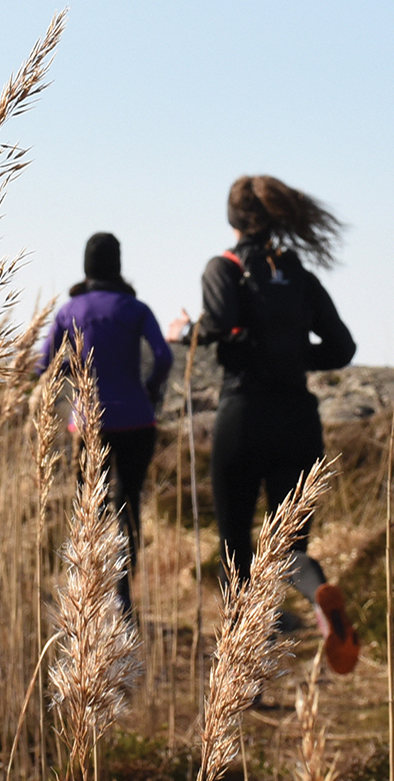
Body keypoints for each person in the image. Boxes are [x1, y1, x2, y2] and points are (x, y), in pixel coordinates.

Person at [169, 175, 360, 674]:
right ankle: (319, 593)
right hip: (298, 420)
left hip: (244, 416)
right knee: (288, 548)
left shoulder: (224, 268)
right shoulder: (299, 275)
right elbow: (342, 348)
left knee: (235, 547)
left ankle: (245, 672)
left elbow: (219, 323)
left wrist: (185, 332)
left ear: (232, 219)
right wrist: (291, 354)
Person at [40, 232, 172, 614]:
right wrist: (150, 389)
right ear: (118, 265)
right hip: (136, 419)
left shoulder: (70, 311)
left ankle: (90, 593)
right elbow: (163, 356)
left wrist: (75, 369)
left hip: (87, 425)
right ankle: (123, 596)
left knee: (89, 506)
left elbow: (44, 365)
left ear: (86, 266)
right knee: (128, 506)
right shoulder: (136, 308)